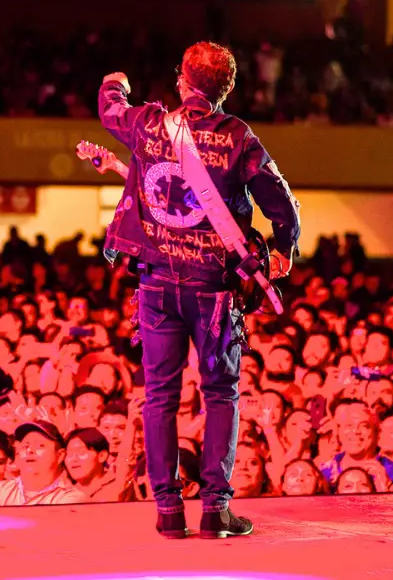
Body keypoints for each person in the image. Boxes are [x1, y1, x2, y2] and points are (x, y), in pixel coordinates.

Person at [97, 41, 301, 539]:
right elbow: (282, 203)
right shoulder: (238, 138)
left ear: (182, 81)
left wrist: (115, 81)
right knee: (220, 394)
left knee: (160, 395)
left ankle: (168, 512)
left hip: (157, 283)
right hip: (213, 291)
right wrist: (282, 250)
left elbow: (109, 111)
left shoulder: (148, 123)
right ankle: (215, 510)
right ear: (227, 88)